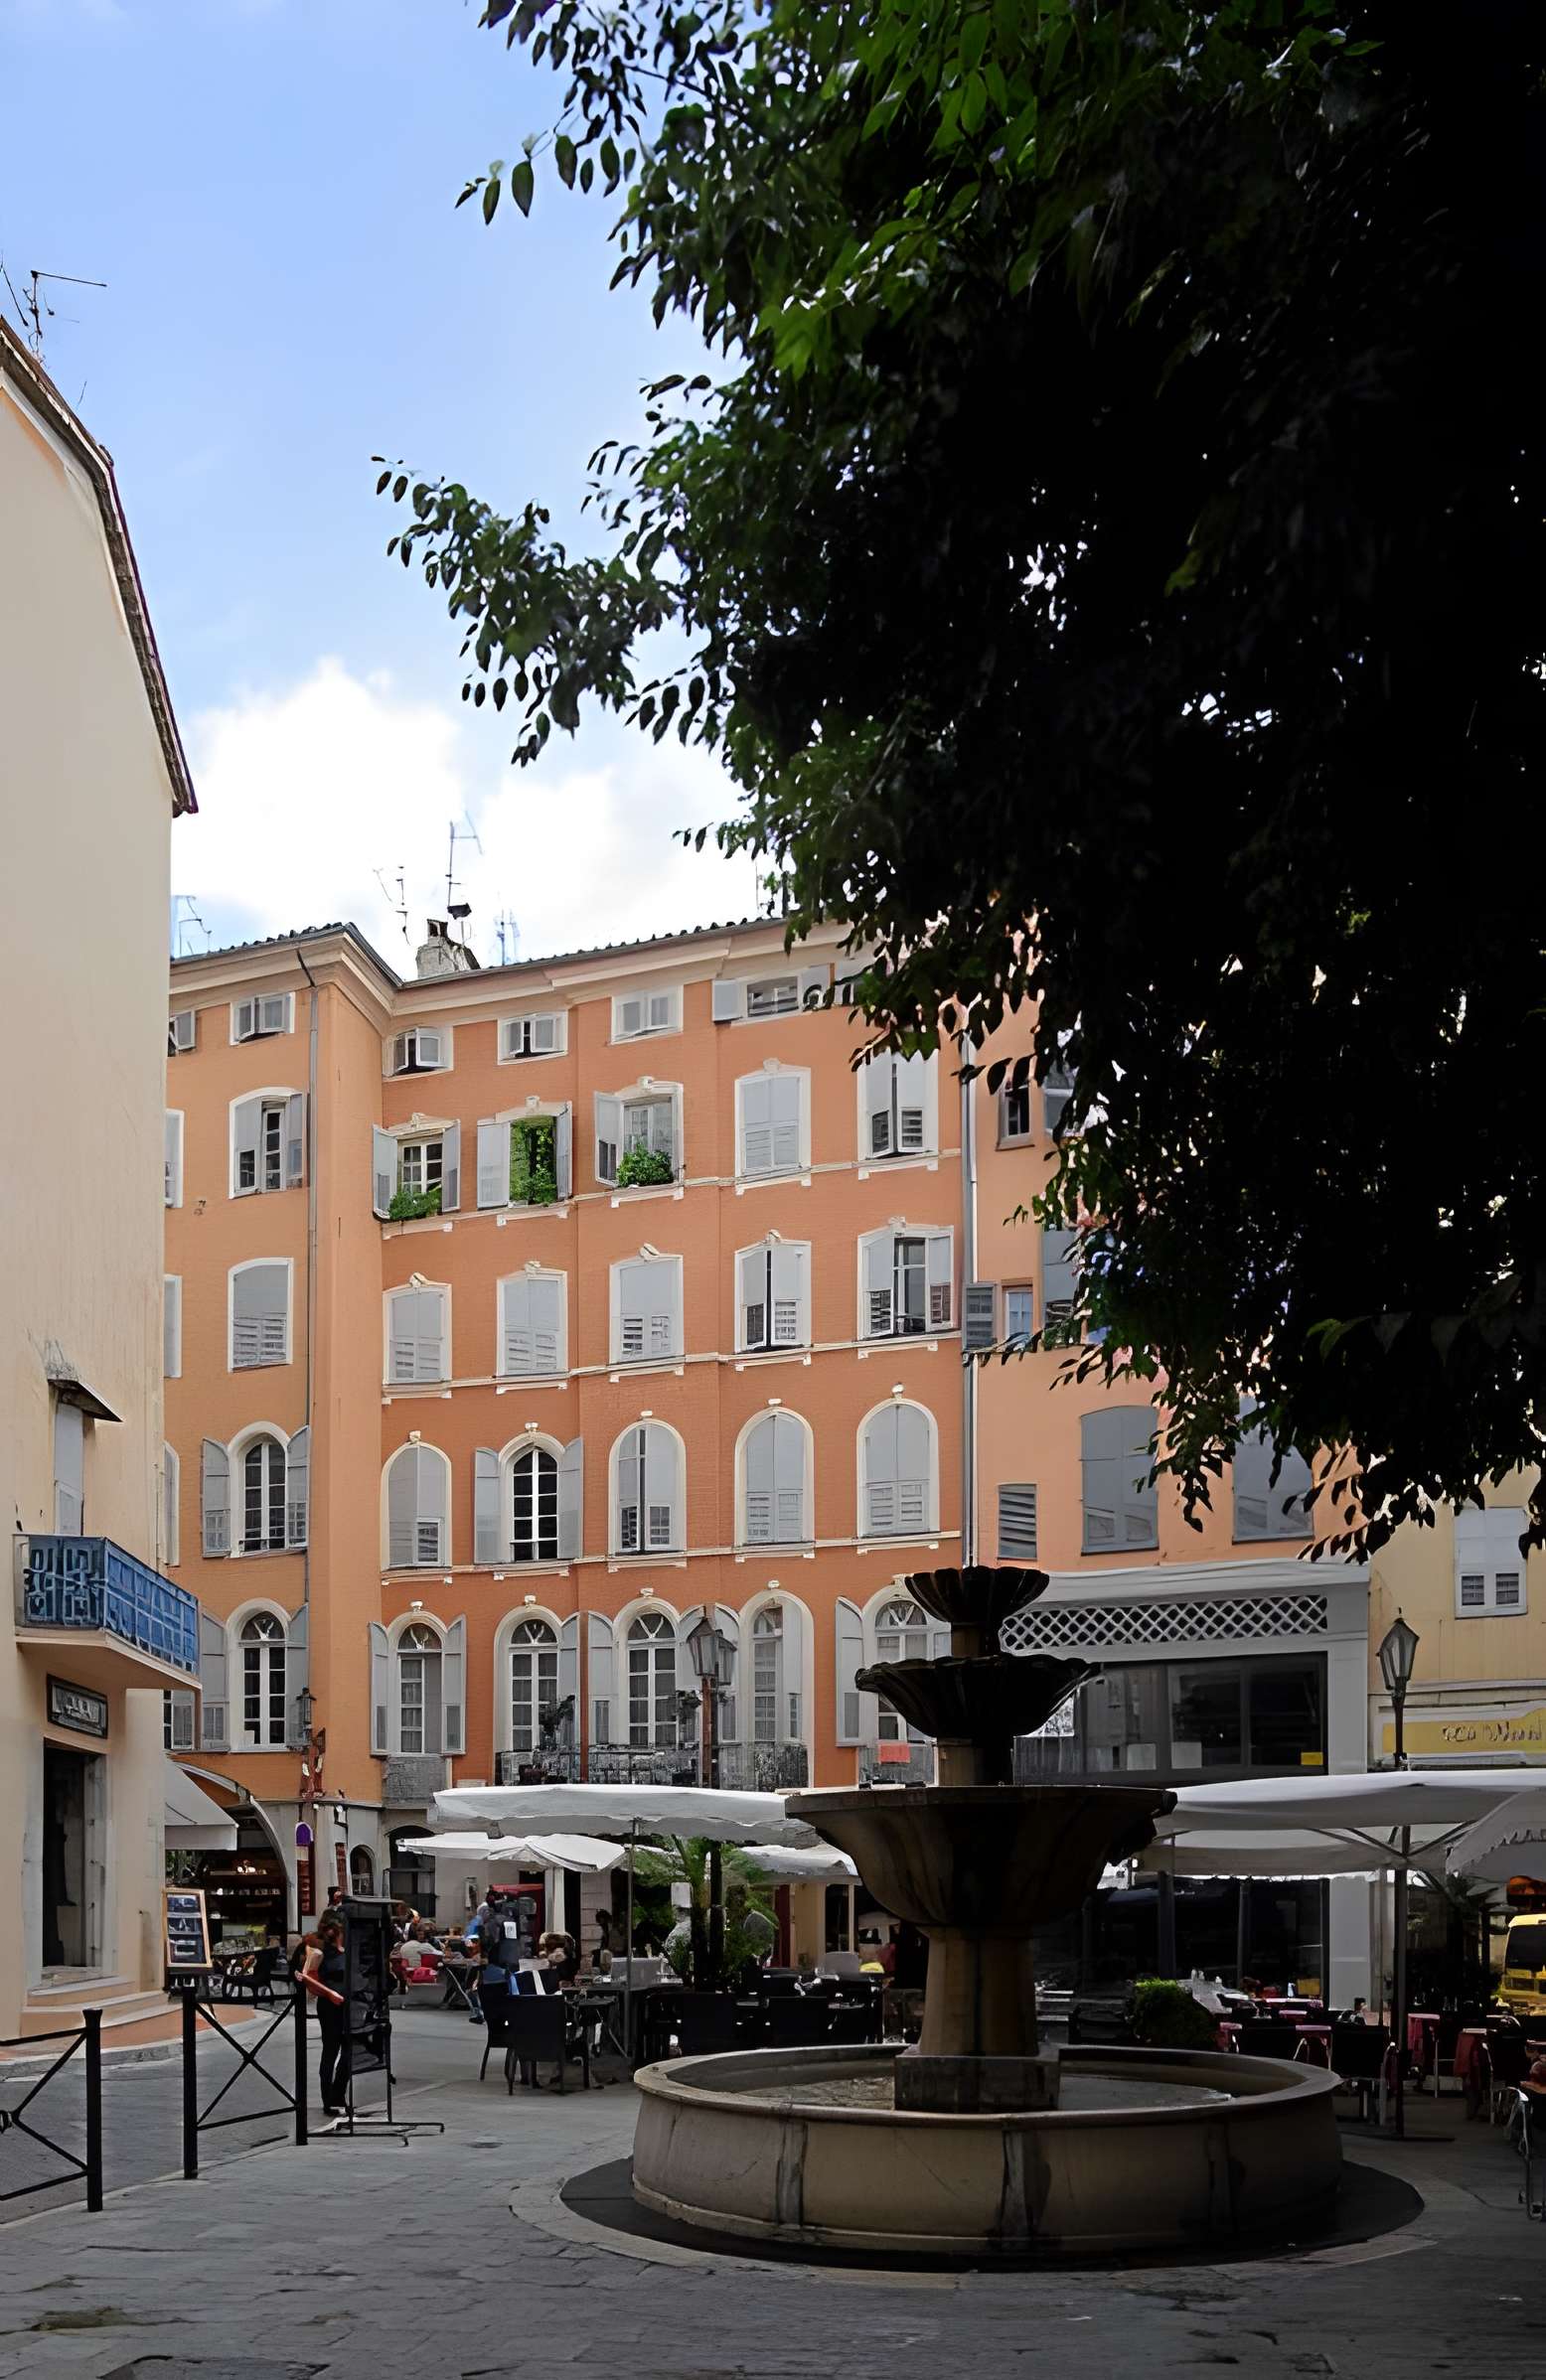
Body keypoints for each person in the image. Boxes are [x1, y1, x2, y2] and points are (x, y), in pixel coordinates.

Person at [302, 1910, 350, 2115]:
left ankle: (338, 2093)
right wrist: (329, 1994)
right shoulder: (321, 1951)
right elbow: (309, 1978)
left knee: (349, 2051)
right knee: (331, 2050)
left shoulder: (347, 1949)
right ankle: (328, 2099)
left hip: (348, 2005)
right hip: (330, 2005)